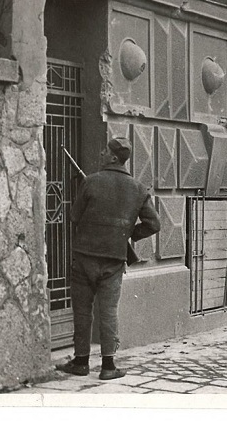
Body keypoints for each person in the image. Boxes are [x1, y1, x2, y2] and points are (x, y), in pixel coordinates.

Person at [56, 137, 161, 380]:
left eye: (105, 151)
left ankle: (81, 362)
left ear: (114, 157)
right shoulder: (139, 189)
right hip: (114, 260)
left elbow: (74, 217)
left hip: (84, 257)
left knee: (82, 311)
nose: (101, 153)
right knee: (109, 312)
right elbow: (154, 224)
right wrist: (127, 233)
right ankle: (108, 366)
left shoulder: (91, 182)